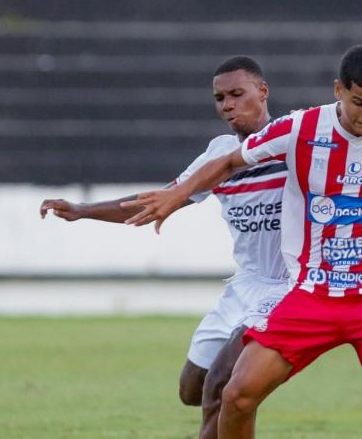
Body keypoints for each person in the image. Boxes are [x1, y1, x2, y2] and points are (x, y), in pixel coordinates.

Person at [121, 45, 362, 439]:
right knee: (238, 395)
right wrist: (177, 195)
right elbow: (229, 160)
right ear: (338, 91)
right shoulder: (301, 129)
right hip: (312, 294)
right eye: (359, 102)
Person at [39, 56, 289, 439]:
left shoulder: (295, 142)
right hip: (246, 283)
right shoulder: (219, 153)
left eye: (237, 94)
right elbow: (160, 199)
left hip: (288, 285)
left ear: (263, 91)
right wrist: (83, 211)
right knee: (192, 388)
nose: (227, 105)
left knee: (220, 387)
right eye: (220, 98)